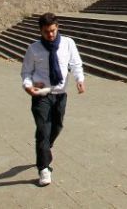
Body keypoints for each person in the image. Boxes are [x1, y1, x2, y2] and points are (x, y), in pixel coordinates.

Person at [21, 12, 85, 186]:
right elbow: (26, 72)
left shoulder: (68, 43)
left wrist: (80, 79)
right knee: (43, 131)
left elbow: (75, 63)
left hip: (60, 94)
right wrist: (28, 86)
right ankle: (44, 169)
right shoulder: (33, 49)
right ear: (40, 31)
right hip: (41, 95)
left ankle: (46, 148)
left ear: (57, 28)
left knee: (56, 127)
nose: (50, 35)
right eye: (46, 32)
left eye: (53, 31)